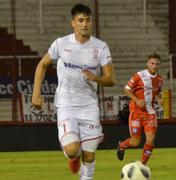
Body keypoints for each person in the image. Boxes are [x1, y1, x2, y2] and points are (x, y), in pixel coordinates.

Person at [31, 4, 115, 180]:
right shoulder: (61, 44)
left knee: (90, 155)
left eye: (88, 20)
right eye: (81, 20)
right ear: (73, 23)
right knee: (72, 150)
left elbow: (111, 79)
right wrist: (36, 93)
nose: (85, 24)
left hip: (89, 106)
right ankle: (73, 157)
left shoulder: (100, 47)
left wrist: (95, 78)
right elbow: (42, 65)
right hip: (67, 105)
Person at [116, 53, 163, 165]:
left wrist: (159, 98)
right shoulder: (139, 76)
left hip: (150, 113)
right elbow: (127, 89)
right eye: (152, 63)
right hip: (136, 113)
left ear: (159, 65)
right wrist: (137, 100)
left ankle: (142, 164)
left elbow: (158, 92)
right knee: (135, 142)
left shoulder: (160, 79)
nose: (154, 66)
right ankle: (122, 145)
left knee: (151, 138)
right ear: (147, 63)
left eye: (157, 64)